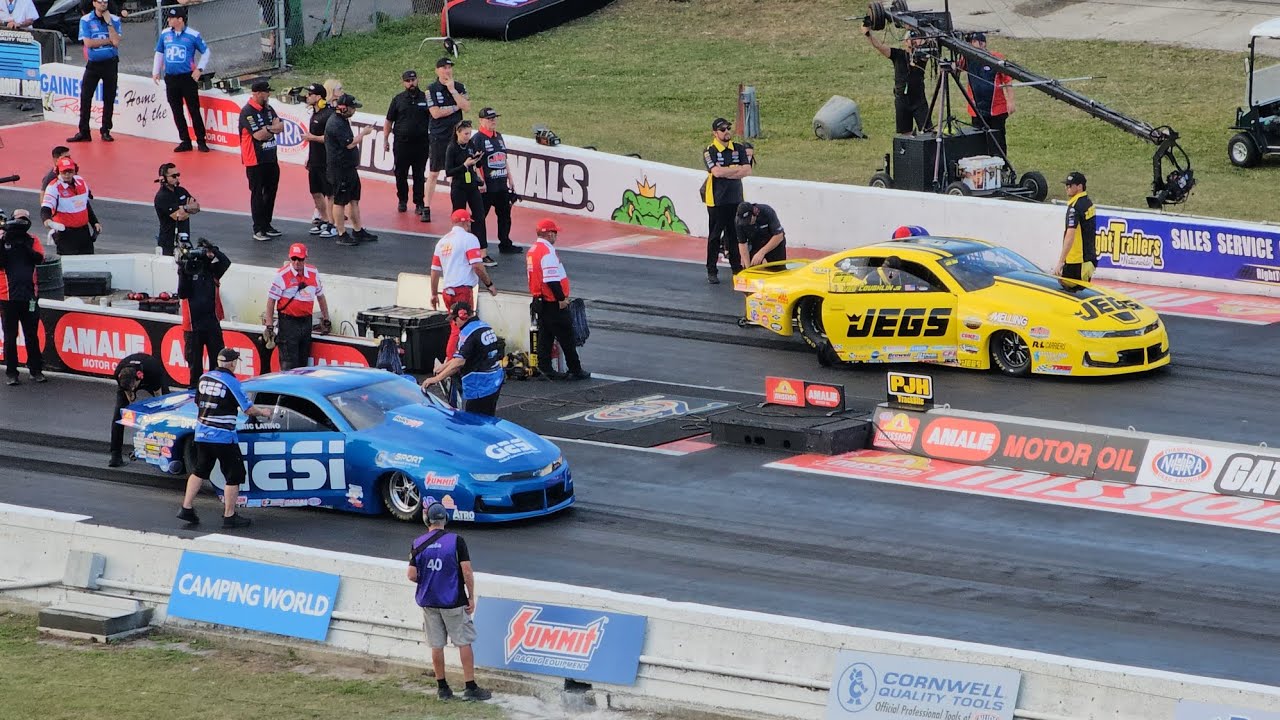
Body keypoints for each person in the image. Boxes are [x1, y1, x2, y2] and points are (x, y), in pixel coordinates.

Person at [407, 502, 492, 702]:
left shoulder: (417, 543)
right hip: (453, 601)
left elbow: (411, 575)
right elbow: (467, 572)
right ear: (445, 519)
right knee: (463, 642)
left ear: (427, 520)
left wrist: (429, 579)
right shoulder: (456, 541)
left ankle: (443, 688)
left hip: (429, 601)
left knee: (436, 644)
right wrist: (471, 596)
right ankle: (470, 686)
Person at [178, 348, 271, 529]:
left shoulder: (204, 378)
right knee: (233, 474)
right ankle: (229, 516)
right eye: (236, 361)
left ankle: (186, 507)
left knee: (199, 470)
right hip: (223, 436)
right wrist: (264, 412)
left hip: (202, 433)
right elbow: (248, 409)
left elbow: (198, 402)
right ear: (232, 363)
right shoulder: (231, 382)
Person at [527, 218, 589, 381]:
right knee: (566, 336)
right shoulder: (547, 252)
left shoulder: (533, 250)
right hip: (552, 301)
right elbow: (551, 279)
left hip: (540, 300)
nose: (556, 236)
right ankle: (575, 369)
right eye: (554, 233)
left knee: (545, 336)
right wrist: (561, 298)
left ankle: (545, 368)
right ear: (548, 234)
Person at [430, 208, 496, 358]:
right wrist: (489, 284)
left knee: (455, 326)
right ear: (465, 222)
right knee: (462, 328)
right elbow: (477, 265)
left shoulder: (442, 242)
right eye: (468, 223)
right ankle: (453, 362)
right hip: (462, 291)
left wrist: (434, 294)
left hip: (447, 291)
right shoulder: (469, 239)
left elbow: (434, 270)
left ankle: (453, 361)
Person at [420, 302, 504, 416]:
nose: (454, 323)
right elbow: (461, 356)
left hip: (480, 385)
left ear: (463, 316)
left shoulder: (468, 332)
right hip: (494, 380)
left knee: (474, 422)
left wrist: (436, 379)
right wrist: (443, 367)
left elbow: (459, 362)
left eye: (455, 319)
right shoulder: (484, 325)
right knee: (488, 418)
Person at [153, 5, 211, 153]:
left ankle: (201, 140)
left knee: (193, 109)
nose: (168, 20)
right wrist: (155, 71)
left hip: (187, 78)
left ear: (180, 19)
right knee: (176, 110)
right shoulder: (165, 34)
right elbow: (159, 52)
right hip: (171, 78)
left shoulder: (193, 35)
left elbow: (206, 51)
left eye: (172, 18)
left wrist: (199, 69)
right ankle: (185, 140)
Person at [701, 117, 753, 284]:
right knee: (715, 236)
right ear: (715, 133)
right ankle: (711, 269)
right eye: (722, 130)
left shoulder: (738, 148)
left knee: (734, 235)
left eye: (728, 129)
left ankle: (736, 268)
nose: (726, 132)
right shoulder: (710, 150)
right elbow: (716, 172)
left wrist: (728, 171)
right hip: (717, 200)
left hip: (735, 199)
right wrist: (734, 170)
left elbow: (747, 170)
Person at [265, 242, 331, 371]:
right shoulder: (281, 275)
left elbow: (321, 297)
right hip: (288, 323)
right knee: (289, 364)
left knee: (303, 363)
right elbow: (271, 301)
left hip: (306, 322)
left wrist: (326, 319)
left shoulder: (313, 272)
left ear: (305, 258)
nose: (296, 262)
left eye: (299, 259)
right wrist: (269, 326)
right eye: (293, 259)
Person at [470, 107, 522, 264]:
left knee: (505, 215)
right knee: (479, 218)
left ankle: (505, 243)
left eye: (494, 118)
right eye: (489, 119)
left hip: (501, 185)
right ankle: (475, 247)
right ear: (481, 121)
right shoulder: (477, 139)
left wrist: (510, 178)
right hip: (486, 188)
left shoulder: (499, 137)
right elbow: (475, 163)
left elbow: (503, 158)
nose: (493, 121)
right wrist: (481, 182)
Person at [326, 93, 378, 246]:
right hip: (339, 169)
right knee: (340, 201)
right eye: (353, 108)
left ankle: (357, 230)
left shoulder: (342, 120)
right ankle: (341, 233)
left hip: (349, 168)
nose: (354, 110)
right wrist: (364, 133)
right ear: (344, 108)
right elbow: (349, 144)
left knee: (354, 199)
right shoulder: (336, 123)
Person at [176, 237, 229, 388]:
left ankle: (216, 390)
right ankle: (194, 393)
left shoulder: (212, 270)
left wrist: (213, 249)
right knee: (195, 366)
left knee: (217, 364)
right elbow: (182, 293)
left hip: (212, 324)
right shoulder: (187, 269)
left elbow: (226, 262)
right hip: (193, 327)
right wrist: (182, 269)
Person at [0, 210, 45, 387]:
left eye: (24, 220)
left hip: (30, 298)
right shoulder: (3, 241)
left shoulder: (32, 240)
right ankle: (11, 373)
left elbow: (40, 258)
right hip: (7, 298)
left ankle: (36, 370)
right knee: (10, 337)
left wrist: (24, 245)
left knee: (31, 335)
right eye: (18, 220)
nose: (20, 223)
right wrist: (3, 241)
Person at [863, 24, 933, 135]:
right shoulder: (898, 55)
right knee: (905, 134)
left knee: (928, 131)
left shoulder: (921, 57)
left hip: (918, 100)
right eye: (911, 40)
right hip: (902, 100)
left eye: (915, 40)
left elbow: (930, 45)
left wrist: (919, 37)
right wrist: (868, 34)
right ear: (905, 42)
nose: (913, 42)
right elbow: (879, 46)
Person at [425, 57, 471, 223]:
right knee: (434, 172)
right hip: (438, 136)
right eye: (443, 68)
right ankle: (426, 206)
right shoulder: (431, 89)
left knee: (456, 173)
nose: (447, 70)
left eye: (449, 67)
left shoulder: (459, 87)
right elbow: (436, 113)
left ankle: (458, 209)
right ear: (437, 70)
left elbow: (466, 106)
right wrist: (455, 106)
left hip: (456, 137)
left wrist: (452, 91)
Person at [69, 0, 121, 144]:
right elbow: (88, 43)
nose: (103, 4)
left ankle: (106, 130)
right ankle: (84, 131)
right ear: (94, 3)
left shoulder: (114, 19)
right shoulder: (86, 20)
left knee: (109, 97)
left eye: (105, 1)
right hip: (93, 64)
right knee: (86, 96)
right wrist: (107, 41)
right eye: (100, 2)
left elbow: (116, 41)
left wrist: (109, 23)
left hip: (110, 63)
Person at [239, 79, 285, 242]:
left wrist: (268, 129)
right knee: (257, 194)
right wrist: (271, 129)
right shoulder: (247, 111)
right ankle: (258, 228)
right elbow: (258, 135)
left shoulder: (269, 108)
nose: (269, 94)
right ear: (258, 93)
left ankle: (267, 224)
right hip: (255, 161)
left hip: (271, 158)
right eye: (266, 92)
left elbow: (280, 127)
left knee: (271, 192)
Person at [108, 352, 170, 467]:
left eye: (133, 387)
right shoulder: (119, 373)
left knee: (166, 410)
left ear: (139, 378)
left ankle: (165, 449)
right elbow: (129, 398)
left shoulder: (153, 371)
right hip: (128, 382)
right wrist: (130, 394)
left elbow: (159, 398)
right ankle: (115, 455)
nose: (133, 390)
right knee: (118, 416)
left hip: (152, 377)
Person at [385, 69, 431, 218]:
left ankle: (419, 203)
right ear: (403, 82)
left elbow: (434, 117)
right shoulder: (398, 99)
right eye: (408, 81)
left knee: (419, 174)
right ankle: (402, 200)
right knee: (400, 173)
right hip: (401, 143)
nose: (411, 83)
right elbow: (389, 120)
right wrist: (385, 140)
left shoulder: (426, 98)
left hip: (421, 143)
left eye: (413, 80)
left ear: (417, 80)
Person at [959, 32, 1014, 155]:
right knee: (978, 141)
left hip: (996, 109)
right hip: (976, 109)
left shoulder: (995, 57)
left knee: (998, 141)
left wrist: (1010, 101)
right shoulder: (967, 59)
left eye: (973, 42)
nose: (971, 45)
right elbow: (956, 67)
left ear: (982, 43)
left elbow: (1007, 80)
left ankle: (1002, 166)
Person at [40, 157, 100, 256]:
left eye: (70, 171)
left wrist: (95, 222)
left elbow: (86, 204)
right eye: (64, 172)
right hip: (65, 234)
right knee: (69, 265)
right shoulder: (53, 187)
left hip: (83, 232)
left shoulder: (81, 181)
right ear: (58, 171)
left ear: (75, 170)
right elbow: (45, 209)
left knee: (88, 263)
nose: (67, 174)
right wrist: (47, 220)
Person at [300, 83, 336, 238]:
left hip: (326, 161)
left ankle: (333, 224)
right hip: (314, 159)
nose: (307, 96)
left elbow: (331, 138)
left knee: (329, 194)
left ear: (319, 97)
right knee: (315, 192)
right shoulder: (314, 113)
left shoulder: (328, 114)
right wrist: (309, 156)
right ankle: (325, 219)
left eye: (310, 94)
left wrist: (312, 138)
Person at [444, 121, 486, 247]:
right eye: (466, 134)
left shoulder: (471, 144)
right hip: (459, 186)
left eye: (469, 133)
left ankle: (480, 247)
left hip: (472, 185)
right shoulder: (452, 148)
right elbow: (449, 171)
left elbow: (477, 164)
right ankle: (458, 244)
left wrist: (477, 160)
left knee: (479, 215)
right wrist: (464, 165)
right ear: (458, 132)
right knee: (459, 217)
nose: (468, 136)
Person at [1056, 171, 1097, 281]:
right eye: (1066, 185)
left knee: (1067, 295)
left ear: (1080, 186)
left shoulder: (1075, 207)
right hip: (1088, 260)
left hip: (1076, 262)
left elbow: (1070, 235)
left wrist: (1061, 261)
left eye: (1070, 185)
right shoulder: (1088, 203)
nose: (1066, 188)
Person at [153, 162, 200, 256]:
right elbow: (179, 216)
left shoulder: (181, 191)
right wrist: (187, 208)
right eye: (173, 176)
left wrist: (183, 208)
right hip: (169, 243)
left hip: (184, 241)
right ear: (163, 178)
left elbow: (196, 207)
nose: (177, 178)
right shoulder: (162, 196)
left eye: (178, 175)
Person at [735, 202, 787, 268]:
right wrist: (748, 267)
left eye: (748, 221)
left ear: (754, 213)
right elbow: (742, 243)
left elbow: (779, 236)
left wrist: (762, 253)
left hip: (773, 242)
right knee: (753, 267)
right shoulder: (739, 221)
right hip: (755, 243)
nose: (746, 224)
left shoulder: (767, 211)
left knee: (778, 270)